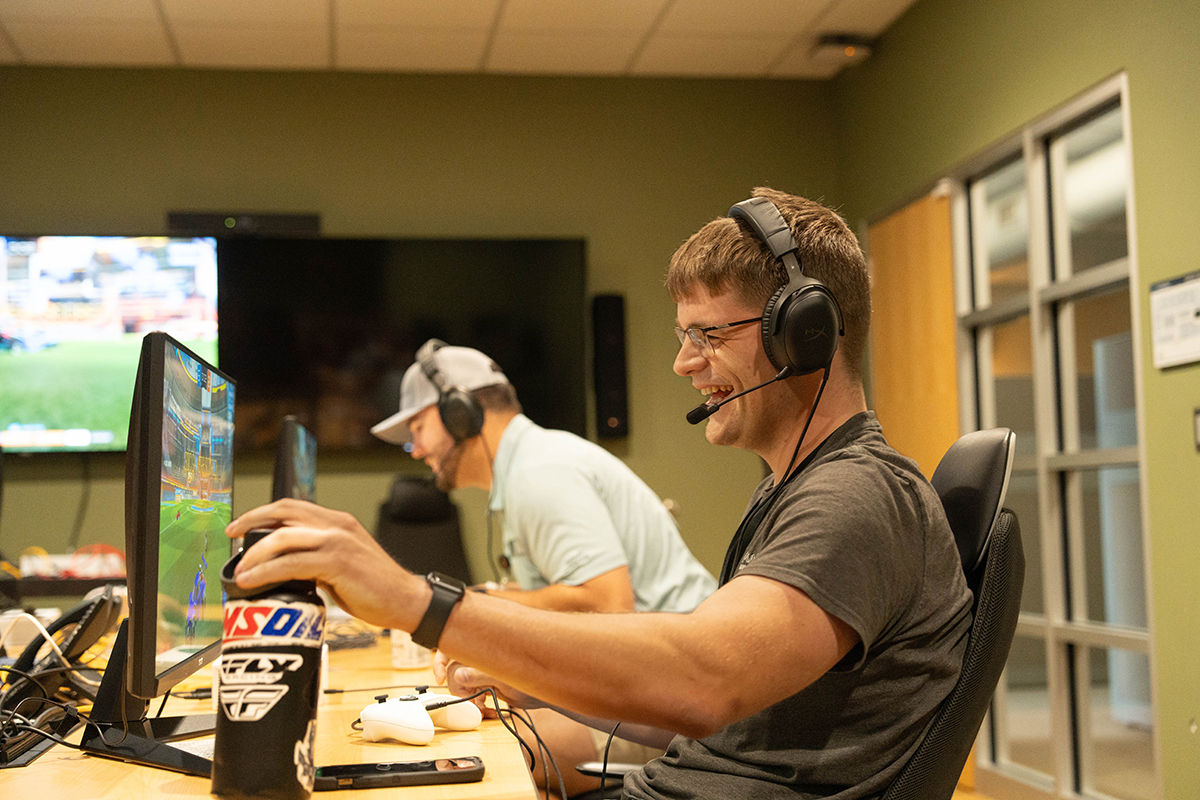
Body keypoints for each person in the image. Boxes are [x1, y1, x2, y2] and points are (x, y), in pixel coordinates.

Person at [226, 188, 973, 799]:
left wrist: (420, 604)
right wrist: (532, 678)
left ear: (807, 334)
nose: (684, 363)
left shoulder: (855, 497)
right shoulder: (794, 492)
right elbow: (731, 727)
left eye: (708, 336)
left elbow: (704, 682)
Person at [370, 338, 717, 796]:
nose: (414, 449)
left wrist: (476, 608)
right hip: (644, 689)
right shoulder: (531, 466)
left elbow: (607, 604)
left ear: (461, 412)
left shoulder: (539, 473)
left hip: (671, 709)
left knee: (473, 760)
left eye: (417, 426)